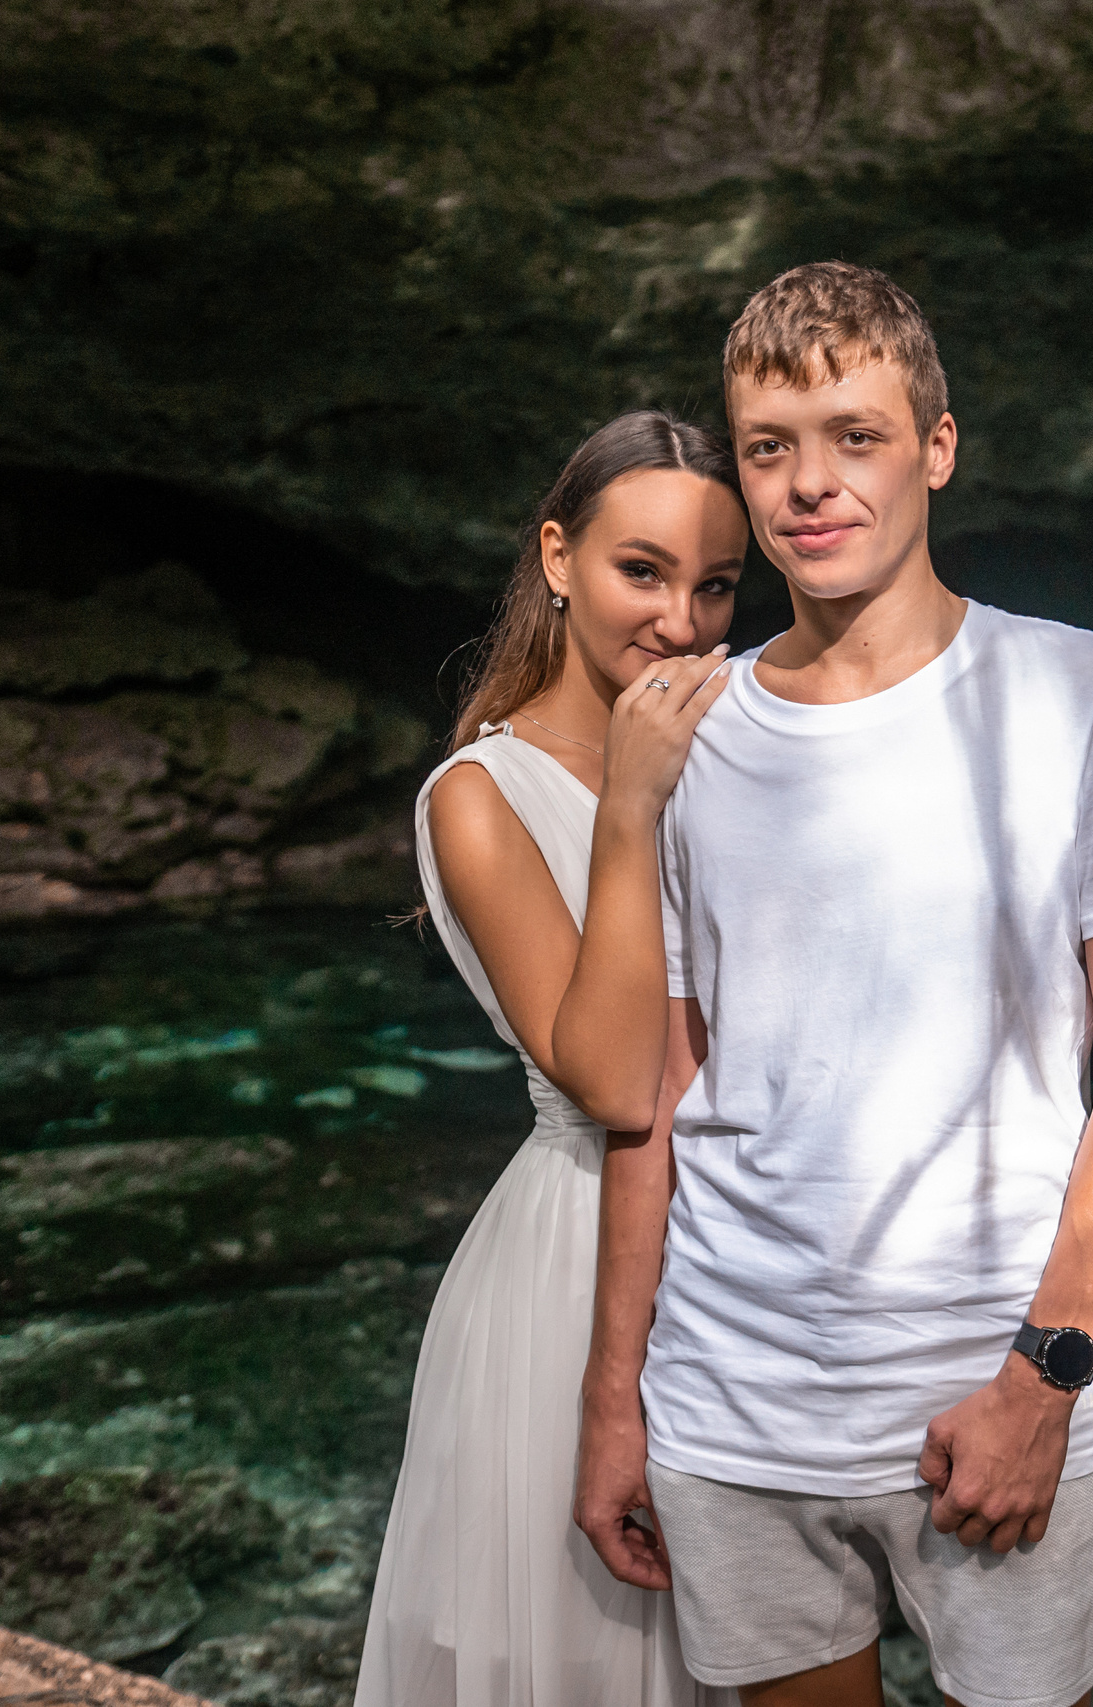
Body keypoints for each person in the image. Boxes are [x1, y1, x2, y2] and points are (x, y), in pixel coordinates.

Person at [575, 263, 1093, 1707]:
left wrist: (1043, 1381)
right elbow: (653, 1103)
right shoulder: (687, 728)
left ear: (935, 447)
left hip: (991, 1399)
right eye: (770, 447)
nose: (810, 486)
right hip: (734, 1413)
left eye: (855, 436)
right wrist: (620, 1407)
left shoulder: (1076, 690)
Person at [355, 410, 747, 1707]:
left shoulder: (740, 748)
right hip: (568, 1271)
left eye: (716, 586)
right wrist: (632, 803)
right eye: (644, 571)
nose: (682, 624)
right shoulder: (479, 796)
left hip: (749, 1250)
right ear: (560, 557)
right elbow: (614, 1079)